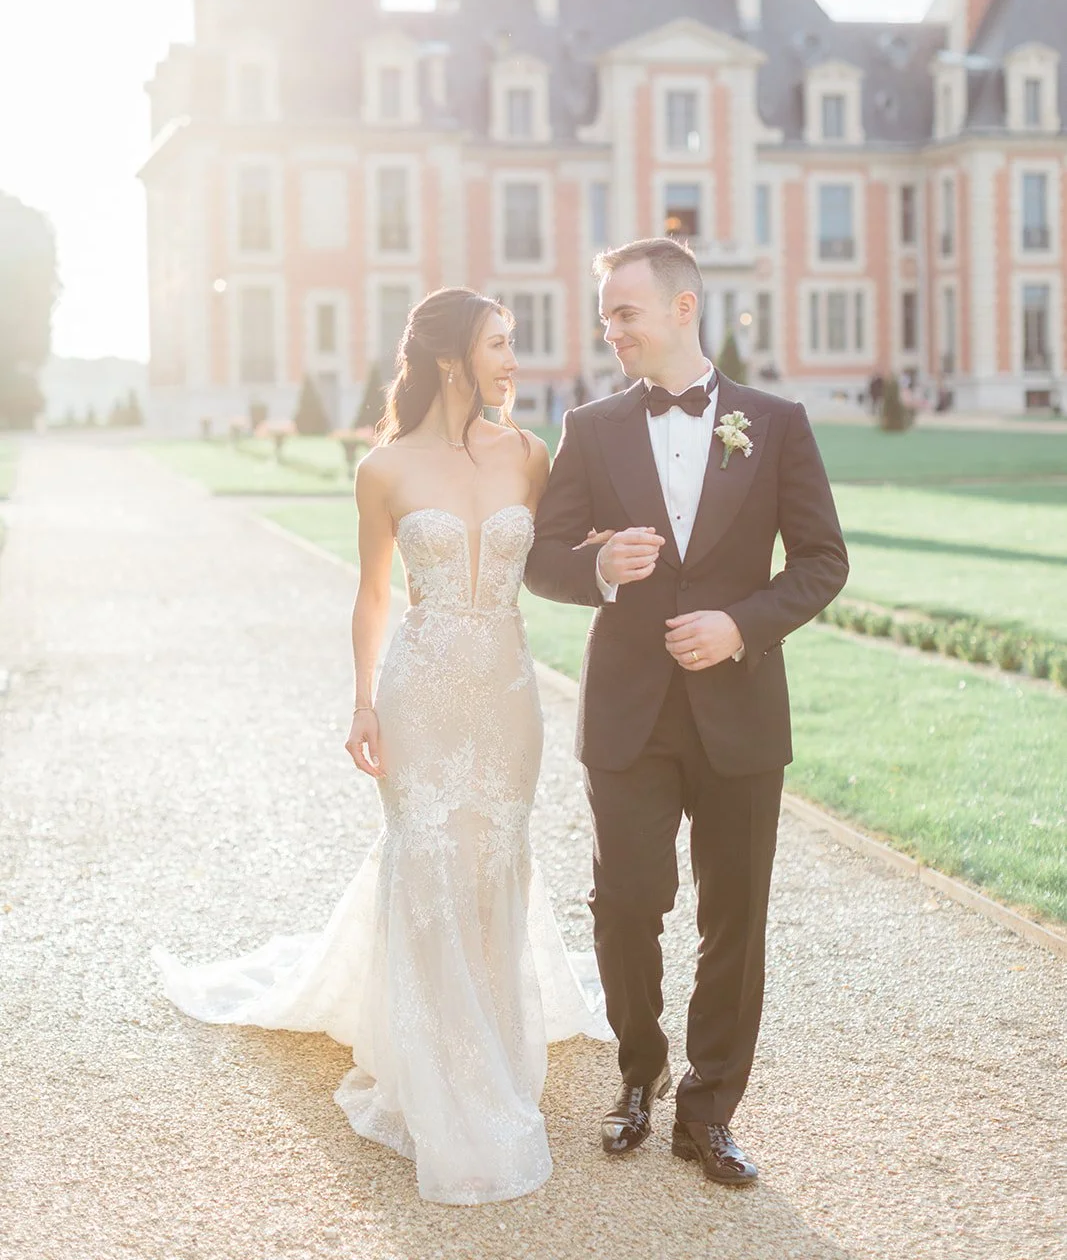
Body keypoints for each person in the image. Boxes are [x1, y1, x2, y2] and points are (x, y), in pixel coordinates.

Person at [152, 287, 608, 1206]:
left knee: (496, 861)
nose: (515, 359)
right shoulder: (386, 470)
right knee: (431, 861)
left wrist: (611, 552)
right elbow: (370, 597)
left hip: (506, 692)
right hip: (421, 692)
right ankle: (443, 1071)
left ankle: (494, 1035)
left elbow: (559, 556)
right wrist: (362, 703)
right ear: (451, 359)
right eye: (499, 344)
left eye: (512, 343)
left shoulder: (528, 454)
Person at [525, 238, 848, 1187]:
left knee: (734, 914)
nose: (610, 331)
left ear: (682, 308)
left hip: (738, 709)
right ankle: (637, 1073)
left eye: (623, 313)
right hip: (628, 711)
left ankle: (708, 1111)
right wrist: (594, 570)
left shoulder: (776, 422)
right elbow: (539, 557)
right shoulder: (589, 427)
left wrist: (739, 625)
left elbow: (823, 561)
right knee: (625, 905)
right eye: (603, 317)